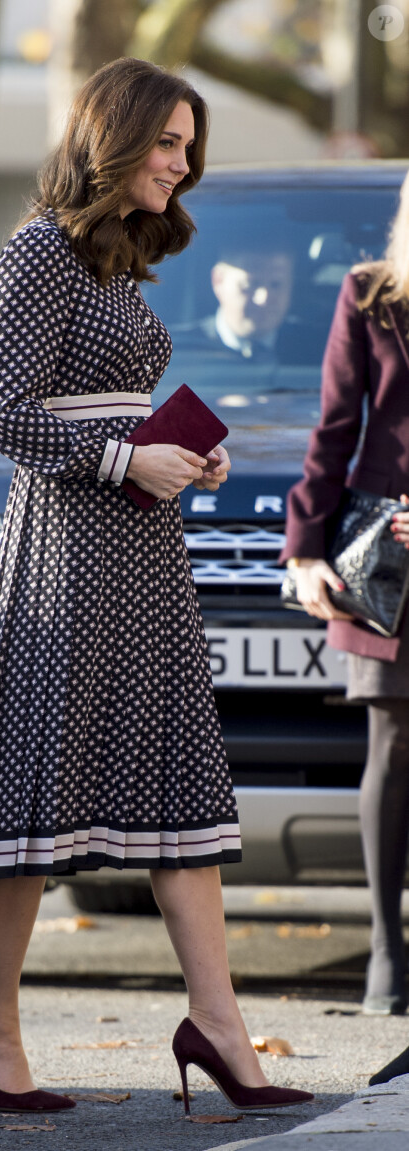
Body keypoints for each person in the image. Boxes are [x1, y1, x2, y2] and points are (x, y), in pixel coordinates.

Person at [0, 57, 313, 1117]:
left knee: (179, 777)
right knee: (37, 797)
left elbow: (99, 407)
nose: (182, 168)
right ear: (115, 135)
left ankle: (219, 1026)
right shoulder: (37, 255)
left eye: (189, 149)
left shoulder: (116, 266)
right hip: (63, 551)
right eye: (169, 144)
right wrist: (120, 457)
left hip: (142, 553)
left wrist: (179, 453)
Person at [281, 171, 409, 1032]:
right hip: (386, 561)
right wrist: (303, 546)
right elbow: (334, 428)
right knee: (393, 742)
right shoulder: (368, 295)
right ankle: (387, 955)